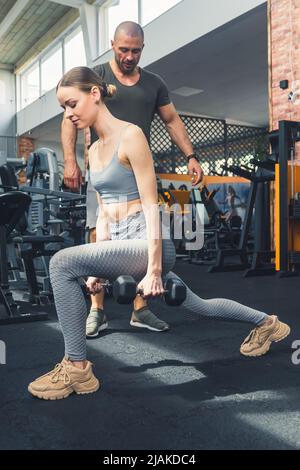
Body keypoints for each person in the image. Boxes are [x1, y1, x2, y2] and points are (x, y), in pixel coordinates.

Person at [28, 67, 291, 400]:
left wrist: (154, 270)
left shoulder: (131, 135)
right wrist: (96, 268)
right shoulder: (93, 150)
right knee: (199, 305)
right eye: (64, 108)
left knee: (61, 263)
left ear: (93, 94)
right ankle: (267, 323)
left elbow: (152, 207)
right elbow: (104, 212)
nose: (69, 114)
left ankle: (77, 368)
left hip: (149, 241)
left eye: (71, 104)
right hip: (122, 244)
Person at [61, 21, 204, 336]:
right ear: (112, 44)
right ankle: (97, 310)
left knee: (142, 237)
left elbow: (172, 119)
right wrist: (70, 161)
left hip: (137, 168)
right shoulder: (94, 77)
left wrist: (191, 156)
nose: (129, 56)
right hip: (104, 172)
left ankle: (140, 309)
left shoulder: (154, 83)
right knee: (98, 236)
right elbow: (69, 119)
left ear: (142, 48)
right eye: (123, 49)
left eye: (135, 51)